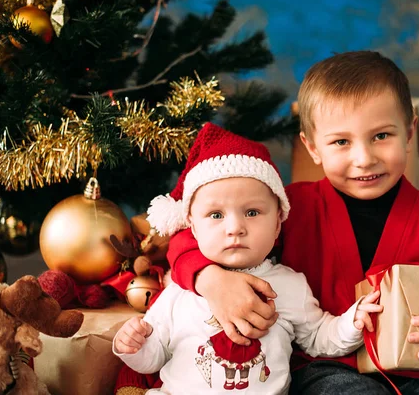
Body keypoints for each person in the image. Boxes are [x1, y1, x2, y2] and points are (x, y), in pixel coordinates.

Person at [160, 51, 419, 394]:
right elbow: (186, 237)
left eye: (381, 135)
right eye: (341, 142)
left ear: (410, 131)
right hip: (321, 367)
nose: (364, 158)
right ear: (312, 147)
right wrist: (211, 278)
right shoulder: (288, 207)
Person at [113, 123, 383, 395]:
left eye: (252, 212)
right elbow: (153, 359)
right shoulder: (180, 291)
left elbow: (318, 338)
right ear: (193, 227)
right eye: (216, 215)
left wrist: (352, 322)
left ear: (278, 223)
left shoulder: (289, 285)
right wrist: (134, 345)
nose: (235, 228)